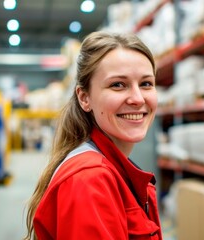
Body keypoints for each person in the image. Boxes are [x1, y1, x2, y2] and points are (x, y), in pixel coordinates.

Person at [24, 31, 161, 240]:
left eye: (146, 84)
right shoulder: (89, 180)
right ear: (84, 97)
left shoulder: (114, 169)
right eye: (118, 85)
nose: (137, 98)